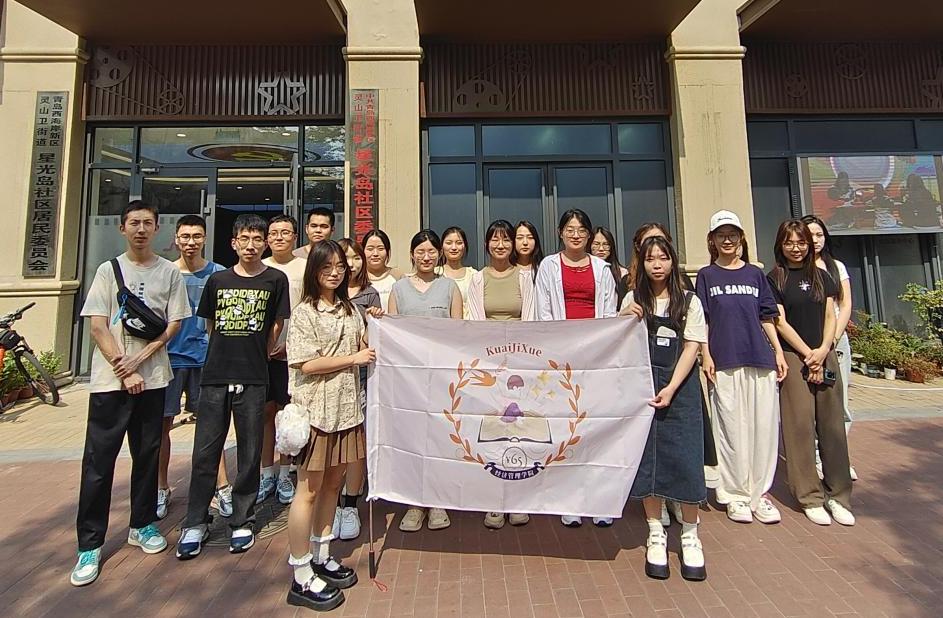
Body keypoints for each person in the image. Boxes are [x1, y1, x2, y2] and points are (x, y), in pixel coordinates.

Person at [72, 200, 190, 586]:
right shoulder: (108, 270)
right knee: (98, 463)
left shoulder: (168, 272)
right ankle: (90, 544)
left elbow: (173, 324)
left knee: (147, 455)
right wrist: (124, 368)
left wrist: (140, 359)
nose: (141, 229)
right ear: (122, 228)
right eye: (134, 223)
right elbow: (97, 325)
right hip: (110, 383)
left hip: (153, 379)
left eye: (147, 223)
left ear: (156, 228)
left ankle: (142, 524)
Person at [177, 214, 291, 559]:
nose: (251, 245)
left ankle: (243, 519)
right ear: (234, 243)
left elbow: (277, 324)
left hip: (255, 376)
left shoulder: (276, 279)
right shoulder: (218, 280)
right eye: (245, 239)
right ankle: (196, 521)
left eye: (257, 239)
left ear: (265, 243)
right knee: (205, 451)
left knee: (250, 452)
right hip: (215, 376)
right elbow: (210, 324)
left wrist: (260, 352)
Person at [284, 240, 378, 612]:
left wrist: (377, 323)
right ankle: (300, 572)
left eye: (340, 266)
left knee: (333, 486)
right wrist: (353, 358)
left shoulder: (351, 309)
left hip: (347, 412)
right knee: (308, 490)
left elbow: (366, 343)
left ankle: (322, 555)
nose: (336, 273)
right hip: (316, 414)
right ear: (315, 271)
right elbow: (306, 363)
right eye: (327, 267)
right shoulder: (304, 312)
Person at [622, 235, 708, 582]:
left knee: (686, 460)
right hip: (643, 390)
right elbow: (620, 342)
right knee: (648, 462)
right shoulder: (633, 298)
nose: (657, 265)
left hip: (681, 390)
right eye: (650, 259)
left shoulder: (689, 301)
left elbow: (692, 347)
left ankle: (690, 534)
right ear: (641, 264)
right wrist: (622, 317)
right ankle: (655, 531)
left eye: (663, 258)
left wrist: (671, 387)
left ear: (673, 261)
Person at [695, 211, 787, 525]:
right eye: (721, 235)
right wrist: (706, 355)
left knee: (763, 428)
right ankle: (735, 495)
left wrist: (778, 352)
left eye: (732, 234)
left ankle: (760, 493)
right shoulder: (706, 276)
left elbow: (767, 316)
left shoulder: (755, 274)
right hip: (724, 361)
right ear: (712, 240)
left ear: (741, 238)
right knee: (730, 429)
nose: (728, 240)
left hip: (759, 359)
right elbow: (703, 320)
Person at [767, 219, 854, 527]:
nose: (796, 248)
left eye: (801, 242)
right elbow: (779, 322)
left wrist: (824, 349)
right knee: (800, 426)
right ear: (781, 245)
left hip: (824, 353)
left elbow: (831, 314)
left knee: (832, 426)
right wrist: (807, 354)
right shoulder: (775, 278)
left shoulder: (822, 275)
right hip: (795, 357)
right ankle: (810, 496)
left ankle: (838, 495)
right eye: (789, 242)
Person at [534, 208, 617, 527]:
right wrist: (558, 349)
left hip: (595, 358)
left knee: (596, 428)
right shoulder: (549, 266)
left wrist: (598, 349)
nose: (576, 234)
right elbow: (543, 313)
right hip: (562, 357)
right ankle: (569, 499)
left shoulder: (602, 268)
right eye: (570, 229)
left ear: (589, 234)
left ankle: (600, 499)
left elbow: (609, 313)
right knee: (567, 429)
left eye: (581, 230)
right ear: (560, 233)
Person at [389, 230, 463, 532]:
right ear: (412, 255)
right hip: (409, 378)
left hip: (441, 377)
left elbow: (459, 333)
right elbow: (392, 333)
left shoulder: (449, 288)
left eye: (432, 251)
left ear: (439, 254)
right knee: (412, 439)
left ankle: (437, 500)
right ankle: (414, 503)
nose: (426, 256)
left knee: (439, 438)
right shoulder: (399, 289)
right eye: (420, 251)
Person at [466, 219, 536, 529]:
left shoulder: (524, 277)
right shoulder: (477, 279)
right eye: (495, 240)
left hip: (519, 368)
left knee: (519, 432)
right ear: (486, 245)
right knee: (493, 433)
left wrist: (519, 360)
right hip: (490, 368)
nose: (501, 245)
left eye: (506, 239)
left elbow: (530, 321)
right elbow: (477, 324)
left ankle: (518, 499)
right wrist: (493, 361)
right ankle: (494, 501)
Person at [161, 215, 232, 522]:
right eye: (185, 236)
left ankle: (222, 485)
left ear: (205, 238)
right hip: (169, 360)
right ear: (176, 239)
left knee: (212, 426)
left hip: (206, 360)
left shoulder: (218, 273)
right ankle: (161, 487)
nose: (191, 242)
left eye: (197, 236)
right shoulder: (164, 273)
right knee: (162, 426)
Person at [329, 237, 382, 541]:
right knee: (332, 443)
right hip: (327, 381)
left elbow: (372, 343)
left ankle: (350, 504)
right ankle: (332, 504)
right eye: (344, 258)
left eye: (355, 258)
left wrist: (375, 322)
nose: (350, 264)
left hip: (359, 378)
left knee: (356, 441)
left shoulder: (370, 294)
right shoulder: (322, 297)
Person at [802, 215, 858, 482]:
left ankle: (838, 458)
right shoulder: (794, 269)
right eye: (809, 235)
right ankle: (815, 457)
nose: (815, 240)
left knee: (839, 401)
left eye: (819, 235)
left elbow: (845, 305)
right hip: (807, 343)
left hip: (835, 342)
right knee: (810, 405)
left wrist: (832, 340)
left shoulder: (836, 267)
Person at [259, 215, 307, 506]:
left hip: (295, 355)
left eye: (285, 232)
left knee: (288, 414)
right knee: (265, 414)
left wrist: (293, 345)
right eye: (274, 232)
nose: (279, 237)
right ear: (267, 238)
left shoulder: (304, 267)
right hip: (262, 354)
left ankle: (286, 472)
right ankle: (267, 473)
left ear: (295, 237)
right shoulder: (259, 266)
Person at [439, 226, 478, 319]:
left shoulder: (474, 275)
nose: (454, 247)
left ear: (464, 246)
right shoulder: (435, 274)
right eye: (449, 243)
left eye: (459, 243)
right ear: (442, 247)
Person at [362, 229, 403, 312]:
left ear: (387, 251)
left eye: (380, 249)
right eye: (370, 249)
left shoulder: (398, 277)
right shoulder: (357, 278)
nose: (375, 254)